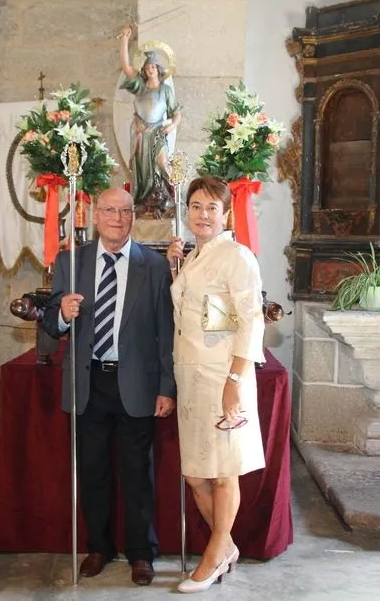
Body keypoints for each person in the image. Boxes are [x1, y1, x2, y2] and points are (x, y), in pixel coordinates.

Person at [39, 187, 176, 586]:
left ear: (133, 217)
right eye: (110, 210)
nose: (117, 218)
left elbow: (166, 332)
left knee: (137, 474)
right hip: (88, 382)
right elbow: (50, 324)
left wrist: (166, 387)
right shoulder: (71, 261)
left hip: (137, 383)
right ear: (94, 215)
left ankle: (141, 552)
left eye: (125, 211)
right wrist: (62, 315)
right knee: (93, 471)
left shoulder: (154, 266)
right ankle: (98, 547)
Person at [165, 176, 266, 594]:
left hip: (223, 377)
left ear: (226, 215)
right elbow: (203, 315)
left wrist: (234, 381)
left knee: (224, 472)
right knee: (195, 474)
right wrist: (175, 267)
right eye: (196, 207)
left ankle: (214, 553)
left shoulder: (237, 256)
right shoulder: (196, 255)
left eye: (211, 208)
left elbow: (250, 321)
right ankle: (225, 546)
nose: (202, 215)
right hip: (192, 379)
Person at [119, 25, 182, 213]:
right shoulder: (140, 86)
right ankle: (145, 202)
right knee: (141, 171)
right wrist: (124, 40)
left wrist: (172, 126)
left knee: (162, 163)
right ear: (144, 71)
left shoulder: (165, 90)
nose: (150, 70)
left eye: (153, 67)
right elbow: (126, 66)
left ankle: (172, 196)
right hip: (141, 133)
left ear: (158, 69)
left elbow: (176, 113)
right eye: (147, 68)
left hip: (158, 133)